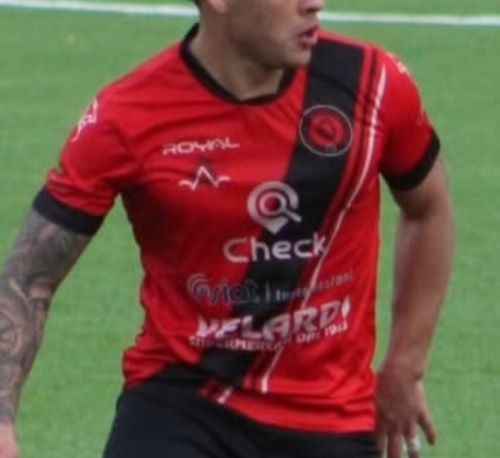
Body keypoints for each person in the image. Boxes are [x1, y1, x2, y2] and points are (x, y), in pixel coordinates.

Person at [0, 0, 454, 457]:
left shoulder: (372, 83)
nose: (315, 3)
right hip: (184, 401)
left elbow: (428, 207)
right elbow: (30, 275)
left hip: (332, 416)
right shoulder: (128, 115)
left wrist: (406, 366)